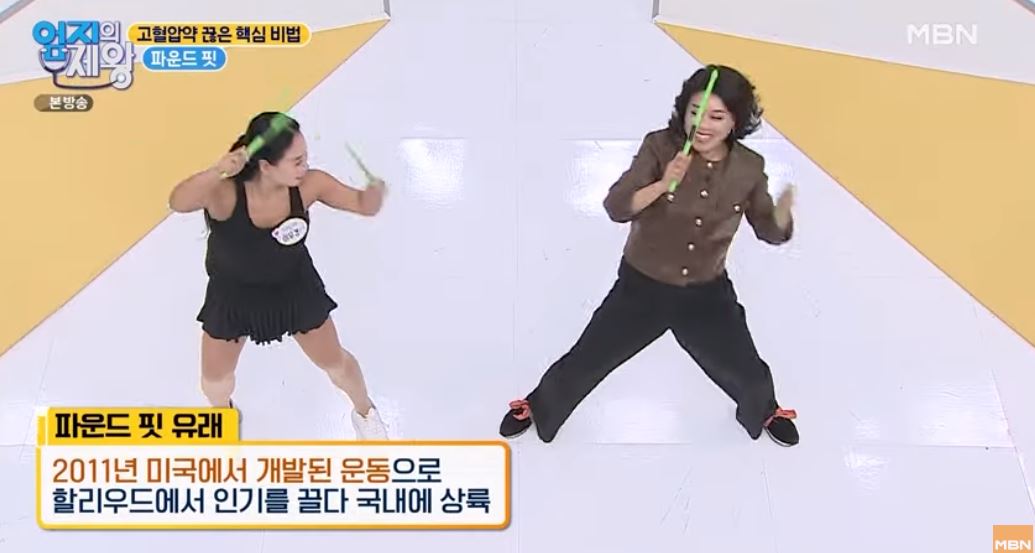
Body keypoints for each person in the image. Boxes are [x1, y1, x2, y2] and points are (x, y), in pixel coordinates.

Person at [499, 65, 799, 447]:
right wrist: (662, 184)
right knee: (589, 357)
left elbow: (768, 230)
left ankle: (764, 410)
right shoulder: (659, 147)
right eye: (695, 112)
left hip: (706, 293)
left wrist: (781, 217)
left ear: (735, 121)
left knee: (749, 371)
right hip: (641, 287)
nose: (701, 125)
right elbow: (616, 206)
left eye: (716, 117)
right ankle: (539, 407)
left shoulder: (749, 167)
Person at [168, 111, 389, 440]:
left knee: (336, 364)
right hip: (233, 294)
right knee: (215, 382)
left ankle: (366, 413)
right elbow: (178, 202)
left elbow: (361, 203)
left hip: (293, 287)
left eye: (305, 158)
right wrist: (217, 171)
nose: (305, 167)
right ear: (266, 166)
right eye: (296, 161)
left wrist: (372, 198)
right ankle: (224, 420)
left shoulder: (310, 184)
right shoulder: (225, 193)